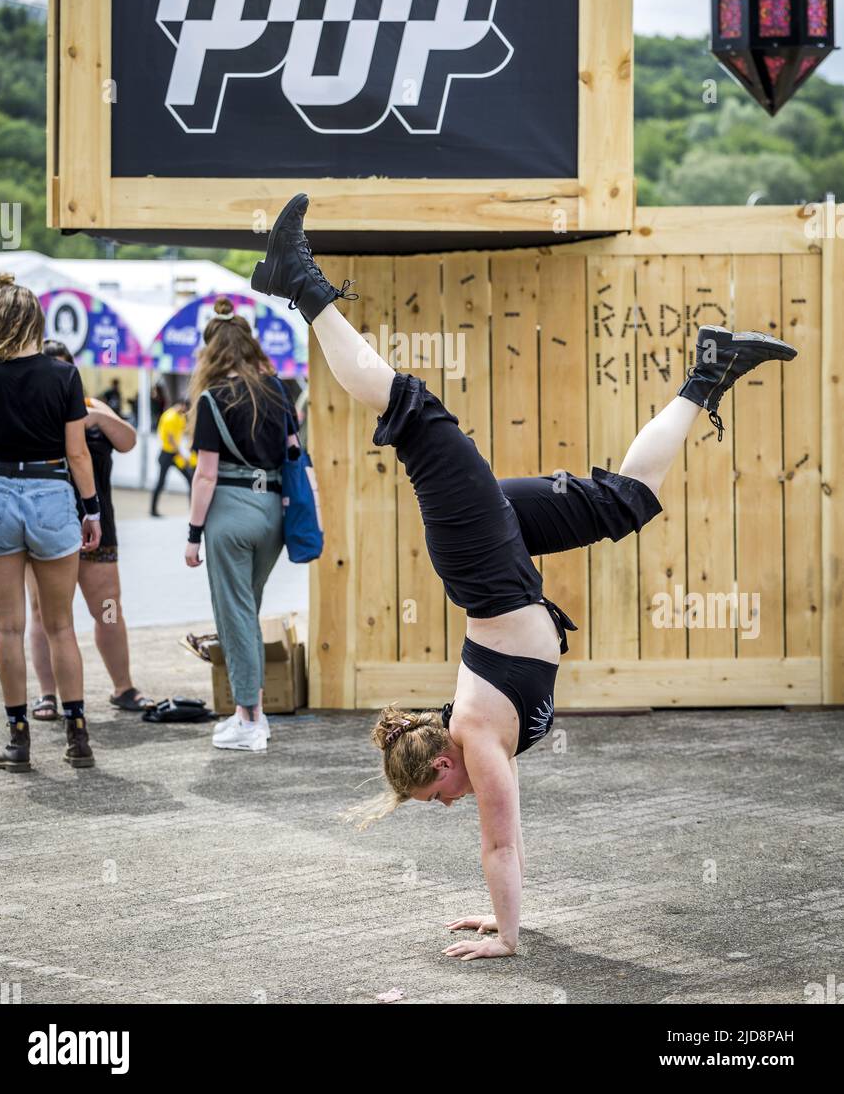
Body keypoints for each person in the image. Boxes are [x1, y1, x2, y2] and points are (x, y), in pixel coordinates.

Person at [251, 194, 798, 961]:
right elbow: (500, 851)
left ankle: (297, 280)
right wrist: (498, 919)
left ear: (443, 764)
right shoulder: (469, 739)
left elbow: (500, 850)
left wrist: (507, 939)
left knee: (411, 409)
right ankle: (710, 370)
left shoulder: (474, 740)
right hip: (503, 557)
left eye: (432, 796)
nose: (446, 805)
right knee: (625, 503)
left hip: (484, 561)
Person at [0, 274, 101, 772]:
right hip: (52, 492)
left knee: (8, 627)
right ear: (36, 321)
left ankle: (19, 738)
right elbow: (77, 452)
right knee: (61, 625)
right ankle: (77, 736)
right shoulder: (64, 376)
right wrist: (91, 510)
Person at [184, 297, 294, 752]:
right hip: (271, 513)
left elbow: (206, 474)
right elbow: (292, 451)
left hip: (229, 513)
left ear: (211, 352)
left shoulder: (211, 400)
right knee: (247, 610)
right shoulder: (278, 390)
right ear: (250, 346)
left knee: (234, 616)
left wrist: (193, 535)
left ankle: (250, 718)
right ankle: (251, 712)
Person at [28, 342, 156, 720]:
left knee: (109, 609)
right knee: (43, 615)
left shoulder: (92, 407)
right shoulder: (32, 412)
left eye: (65, 371)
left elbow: (129, 441)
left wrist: (99, 419)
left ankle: (123, 687)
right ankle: (47, 694)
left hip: (100, 531)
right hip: (47, 529)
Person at [150, 399, 192, 516]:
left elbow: (183, 431)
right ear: (182, 405)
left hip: (175, 455)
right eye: (186, 409)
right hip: (167, 454)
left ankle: (192, 510)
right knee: (161, 482)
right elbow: (170, 438)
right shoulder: (169, 416)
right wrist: (182, 454)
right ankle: (153, 510)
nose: (185, 412)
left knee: (190, 478)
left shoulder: (180, 416)